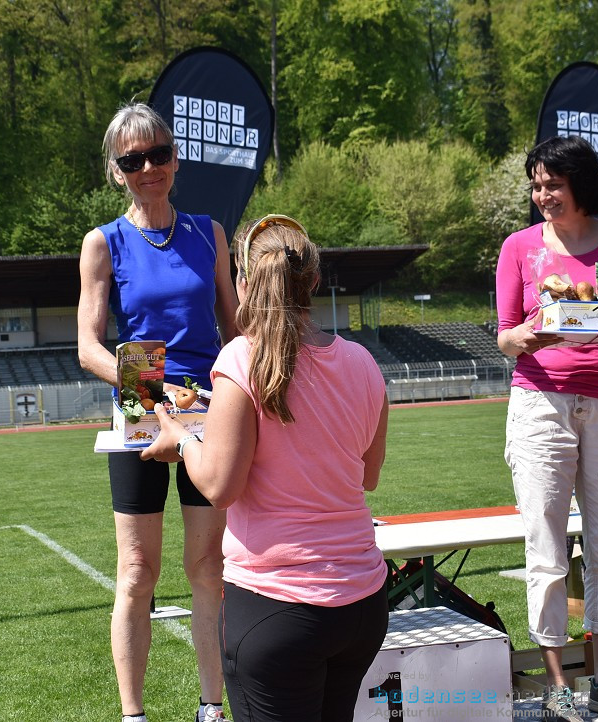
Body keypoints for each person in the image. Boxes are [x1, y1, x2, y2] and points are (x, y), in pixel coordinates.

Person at [140, 215, 390, 722]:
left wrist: (183, 438)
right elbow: (367, 476)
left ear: (245, 284)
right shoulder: (363, 362)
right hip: (362, 603)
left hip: (277, 607)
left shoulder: (241, 359)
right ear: (314, 281)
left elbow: (218, 486)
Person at [77, 102, 239, 722]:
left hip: (209, 408)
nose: (150, 168)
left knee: (207, 566)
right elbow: (89, 346)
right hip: (140, 403)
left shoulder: (209, 233)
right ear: (117, 171)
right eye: (134, 160)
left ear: (176, 158)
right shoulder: (103, 242)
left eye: (159, 155)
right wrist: (151, 386)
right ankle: (133, 714)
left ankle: (211, 707)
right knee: (137, 570)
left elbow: (234, 326)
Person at [496, 135, 598, 722]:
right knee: (546, 550)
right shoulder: (519, 248)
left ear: (581, 186)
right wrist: (528, 336)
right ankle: (558, 683)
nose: (543, 195)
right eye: (536, 185)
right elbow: (505, 334)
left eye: (553, 185)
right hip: (540, 402)